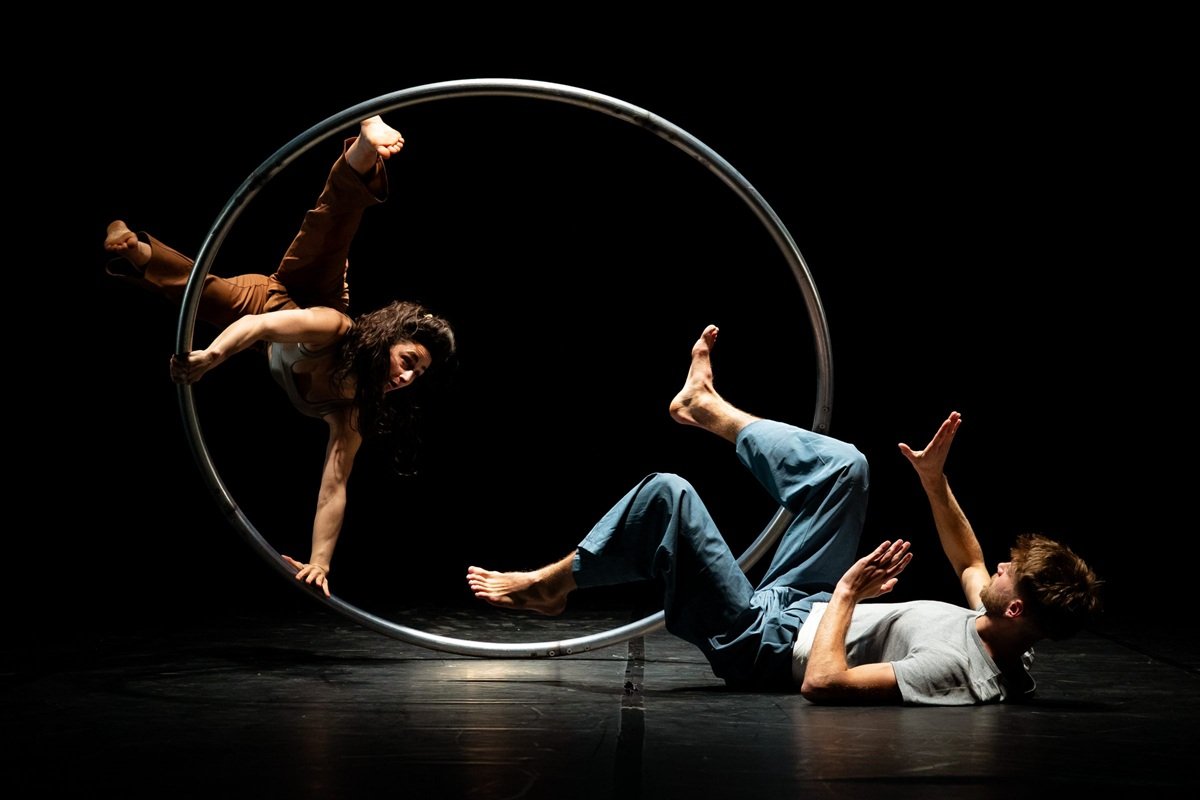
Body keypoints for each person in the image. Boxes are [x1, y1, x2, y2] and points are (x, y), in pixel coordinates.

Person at [466, 324, 1102, 705]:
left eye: (1009, 572)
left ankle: (553, 586)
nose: (998, 567)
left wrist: (849, 592)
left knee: (668, 495)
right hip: (807, 604)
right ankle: (705, 408)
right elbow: (966, 559)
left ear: (1016, 609)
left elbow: (824, 683)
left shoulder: (957, 669)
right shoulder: (998, 630)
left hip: (763, 643)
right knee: (846, 469)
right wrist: (934, 482)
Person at [105, 116, 457, 599]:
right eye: (409, 360)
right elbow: (261, 326)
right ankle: (365, 145)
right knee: (329, 227)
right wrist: (211, 356)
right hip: (286, 302)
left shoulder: (351, 413)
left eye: (418, 373)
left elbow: (334, 485)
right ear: (389, 341)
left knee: (202, 295)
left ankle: (138, 251)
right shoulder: (336, 329)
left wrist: (319, 563)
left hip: (271, 332)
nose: (408, 377)